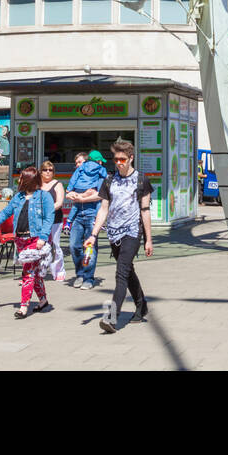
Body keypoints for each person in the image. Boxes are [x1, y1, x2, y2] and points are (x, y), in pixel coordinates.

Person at [84, 139, 153, 333]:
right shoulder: (109, 180)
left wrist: (148, 239)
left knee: (121, 273)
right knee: (127, 270)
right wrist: (93, 235)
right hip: (113, 233)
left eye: (122, 159)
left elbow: (145, 211)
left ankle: (112, 318)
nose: (119, 163)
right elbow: (103, 209)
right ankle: (141, 305)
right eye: (116, 159)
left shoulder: (142, 180)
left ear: (131, 158)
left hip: (132, 231)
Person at [0, 165, 55, 318]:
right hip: (20, 240)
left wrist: (43, 237)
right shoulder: (19, 197)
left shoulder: (44, 197)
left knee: (28, 273)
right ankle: (43, 300)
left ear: (28, 180)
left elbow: (49, 217)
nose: (19, 179)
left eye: (21, 177)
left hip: (35, 240)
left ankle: (23, 306)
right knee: (35, 274)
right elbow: (7, 211)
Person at [66, 150, 107, 290]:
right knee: (75, 246)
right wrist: (85, 194)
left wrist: (80, 197)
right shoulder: (100, 171)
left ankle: (87, 277)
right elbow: (99, 194)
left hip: (89, 215)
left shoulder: (84, 172)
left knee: (86, 247)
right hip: (81, 214)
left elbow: (101, 194)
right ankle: (82, 274)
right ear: (99, 161)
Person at [40, 161, 67, 283]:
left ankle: (59, 271)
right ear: (41, 171)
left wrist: (46, 210)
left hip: (55, 219)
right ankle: (40, 271)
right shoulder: (37, 185)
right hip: (40, 220)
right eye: (45, 169)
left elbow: (59, 202)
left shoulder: (57, 184)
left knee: (55, 245)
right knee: (39, 245)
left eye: (50, 170)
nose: (47, 172)